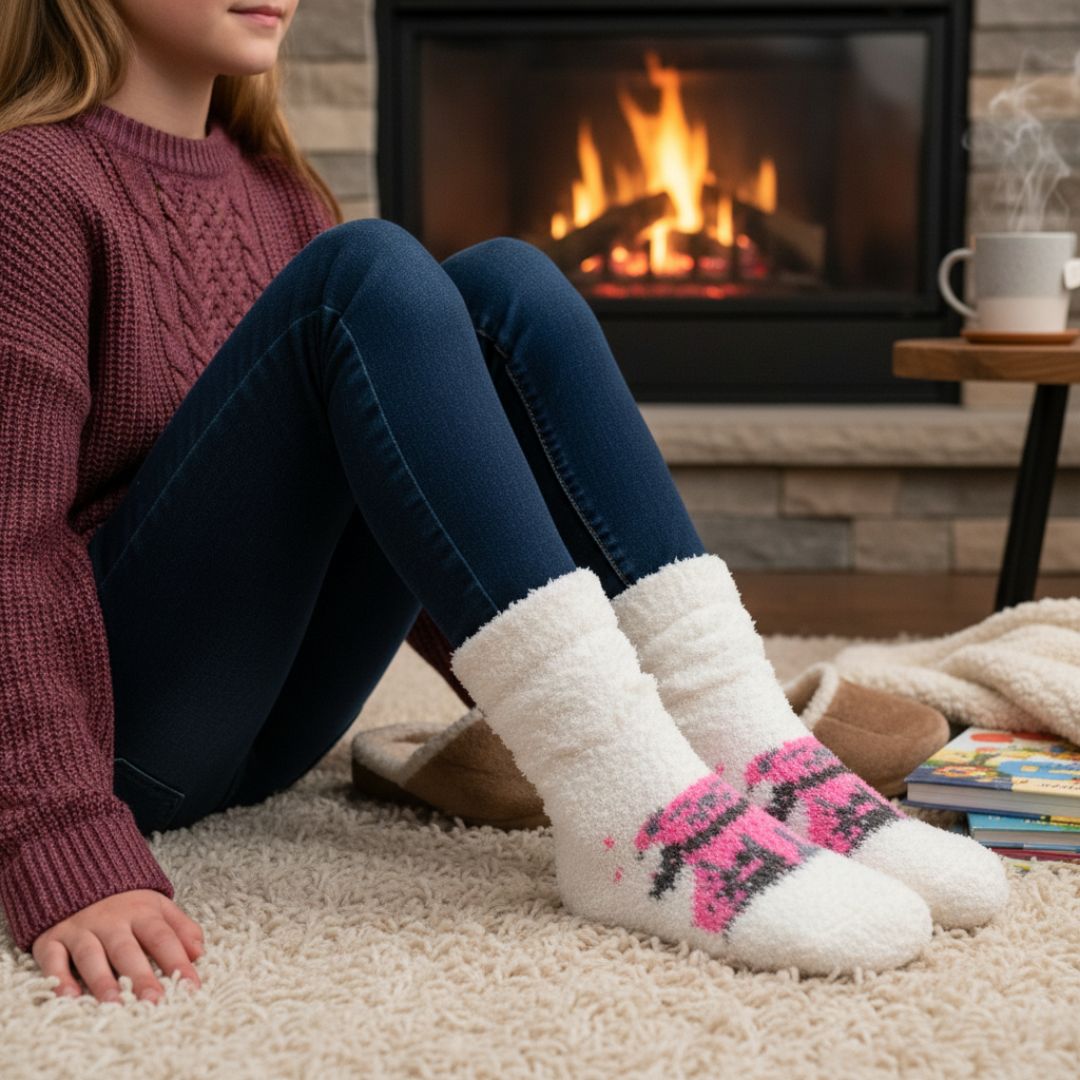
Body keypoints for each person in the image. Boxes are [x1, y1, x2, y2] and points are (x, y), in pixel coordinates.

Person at [0, 0, 1007, 1007]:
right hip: (119, 741)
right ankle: (636, 819)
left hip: (266, 727)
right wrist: (56, 835)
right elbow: (10, 540)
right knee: (369, 272)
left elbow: (412, 504)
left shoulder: (277, 189)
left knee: (505, 286)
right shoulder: (29, 184)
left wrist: (570, 704)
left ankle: (740, 749)